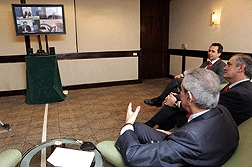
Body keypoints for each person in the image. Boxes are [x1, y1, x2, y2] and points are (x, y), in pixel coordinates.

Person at [115, 68, 238, 167]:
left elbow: (133, 157)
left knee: (130, 130)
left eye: (180, 90)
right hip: (196, 150)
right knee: (137, 127)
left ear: (189, 97)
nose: (177, 93)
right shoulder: (222, 111)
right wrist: (172, 136)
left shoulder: (191, 137)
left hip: (186, 154)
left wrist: (127, 125)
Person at [145, 53, 252, 130]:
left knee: (173, 111)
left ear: (241, 68)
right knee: (175, 93)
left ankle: (151, 131)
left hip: (212, 126)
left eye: (229, 64)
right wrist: (178, 97)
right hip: (212, 116)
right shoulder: (240, 87)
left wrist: (177, 103)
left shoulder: (238, 94)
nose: (225, 67)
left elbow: (207, 107)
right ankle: (151, 130)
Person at [144, 43, 227, 107]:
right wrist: (182, 74)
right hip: (193, 82)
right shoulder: (206, 63)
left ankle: (159, 100)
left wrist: (201, 81)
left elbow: (219, 80)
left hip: (202, 87)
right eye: (209, 51)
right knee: (174, 90)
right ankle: (165, 104)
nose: (210, 53)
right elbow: (196, 71)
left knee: (176, 81)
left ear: (219, 54)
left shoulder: (221, 65)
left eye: (213, 51)